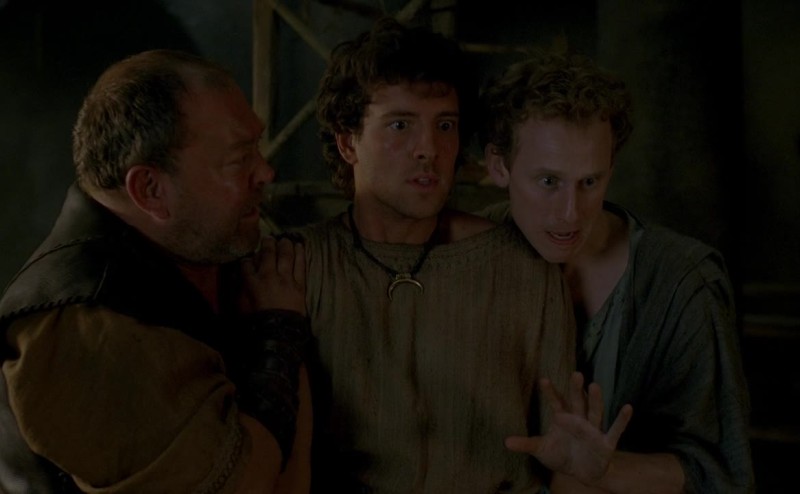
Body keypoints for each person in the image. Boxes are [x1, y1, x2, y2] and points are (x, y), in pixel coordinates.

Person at [0, 49, 312, 493]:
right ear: (150, 189)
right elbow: (239, 485)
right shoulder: (86, 327)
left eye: (256, 147)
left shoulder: (186, 255)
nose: (265, 171)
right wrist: (278, 332)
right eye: (238, 159)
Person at [298, 17, 578, 493]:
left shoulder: (522, 269)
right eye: (400, 125)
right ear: (348, 142)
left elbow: (564, 453)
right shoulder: (300, 265)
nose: (428, 148)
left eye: (445, 125)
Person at [478, 48, 754, 493]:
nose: (571, 213)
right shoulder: (467, 254)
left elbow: (717, 471)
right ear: (498, 166)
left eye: (590, 182)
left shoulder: (681, 281)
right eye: (548, 181)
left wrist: (605, 470)